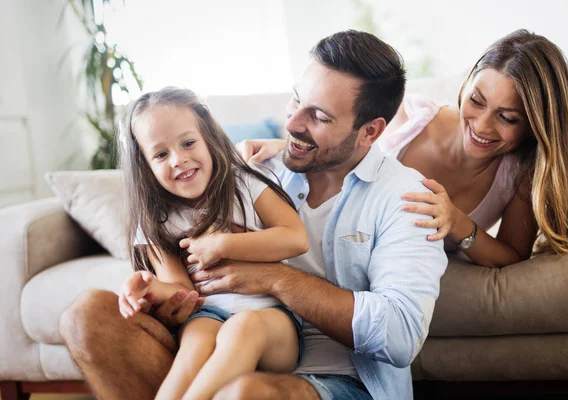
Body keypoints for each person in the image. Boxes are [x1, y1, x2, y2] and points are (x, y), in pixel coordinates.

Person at [59, 30, 447, 400]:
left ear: (370, 131)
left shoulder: (407, 198)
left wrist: (275, 277)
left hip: (337, 381)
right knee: (86, 316)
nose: (293, 124)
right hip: (217, 347)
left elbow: (401, 336)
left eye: (320, 117)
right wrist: (160, 298)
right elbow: (184, 277)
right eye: (296, 101)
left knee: (245, 393)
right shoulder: (256, 165)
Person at [241, 29, 568, 268]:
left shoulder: (519, 172)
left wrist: (459, 223)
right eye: (476, 100)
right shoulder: (411, 118)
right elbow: (345, 145)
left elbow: (512, 254)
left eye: (507, 118)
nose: (482, 126)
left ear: (536, 124)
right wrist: (288, 148)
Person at [121, 87, 309, 400]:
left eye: (188, 143)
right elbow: (182, 293)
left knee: (243, 327)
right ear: (145, 166)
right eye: (161, 154)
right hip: (207, 314)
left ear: (208, 137)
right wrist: (146, 289)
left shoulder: (245, 183)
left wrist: (222, 245)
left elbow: (295, 238)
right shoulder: (157, 220)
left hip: (273, 323)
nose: (179, 159)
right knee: (193, 345)